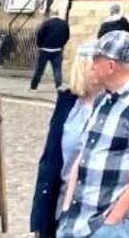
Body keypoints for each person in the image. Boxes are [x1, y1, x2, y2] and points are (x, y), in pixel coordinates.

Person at [59, 31, 129, 238]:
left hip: (109, 224)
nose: (91, 65)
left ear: (110, 66)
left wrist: (114, 218)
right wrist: (66, 206)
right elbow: (84, 153)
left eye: (95, 60)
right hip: (76, 218)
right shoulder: (102, 99)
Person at [31, 44, 100, 238]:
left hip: (98, 208)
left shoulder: (118, 107)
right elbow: (49, 161)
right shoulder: (67, 103)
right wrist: (39, 216)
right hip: (62, 203)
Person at [32, 10, 71, 91]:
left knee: (39, 69)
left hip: (45, 49)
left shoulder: (46, 23)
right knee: (57, 69)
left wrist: (40, 45)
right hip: (57, 50)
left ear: (51, 14)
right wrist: (62, 44)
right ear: (58, 14)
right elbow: (67, 36)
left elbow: (40, 34)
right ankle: (59, 86)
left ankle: (34, 87)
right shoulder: (64, 24)